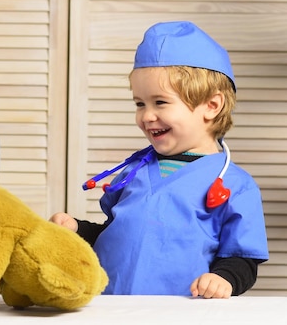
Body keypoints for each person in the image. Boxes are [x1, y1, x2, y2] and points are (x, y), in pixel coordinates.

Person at [51, 21, 268, 298]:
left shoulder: (235, 185)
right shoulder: (135, 171)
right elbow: (116, 235)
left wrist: (223, 278)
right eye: (140, 103)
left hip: (179, 311)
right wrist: (77, 229)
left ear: (211, 106)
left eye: (160, 102)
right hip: (109, 308)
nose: (146, 115)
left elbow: (242, 259)